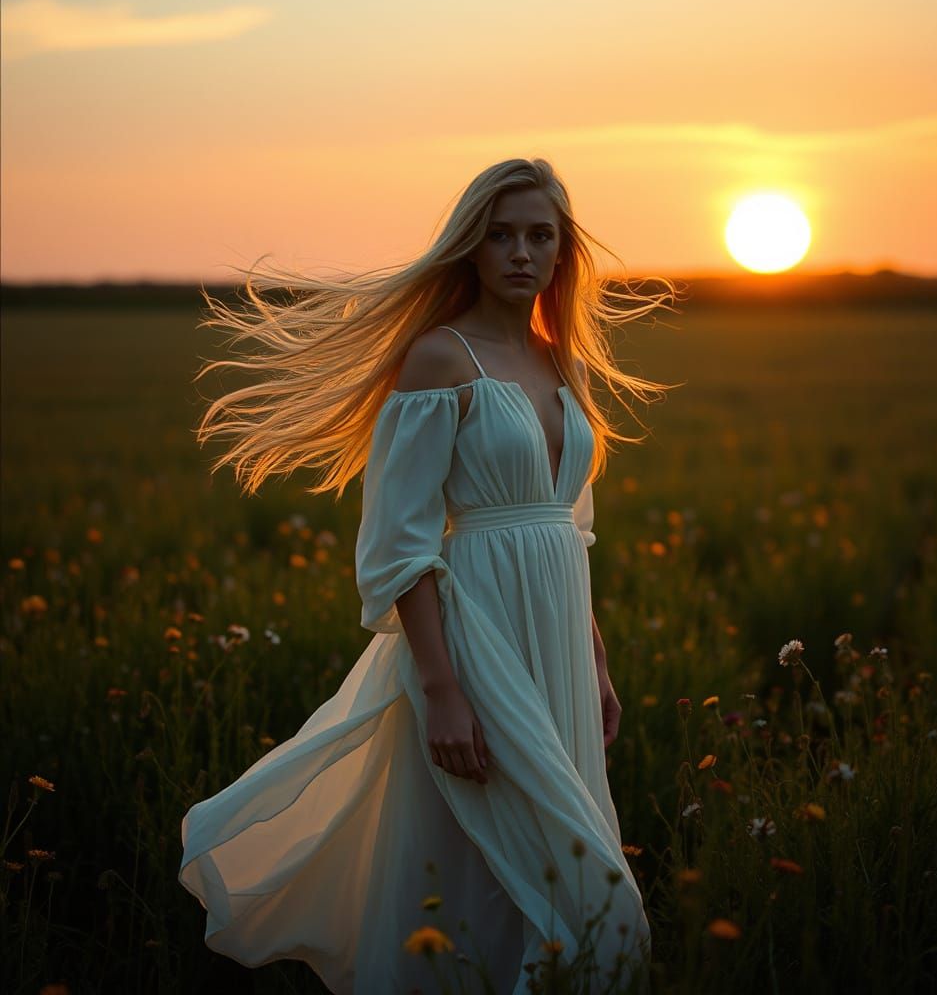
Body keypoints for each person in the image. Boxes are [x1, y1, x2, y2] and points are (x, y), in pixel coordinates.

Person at [179, 158, 680, 994]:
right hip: (475, 630)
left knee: (529, 868)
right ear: (471, 248)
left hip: (556, 637)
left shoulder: (567, 366)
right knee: (581, 891)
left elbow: (572, 530)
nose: (521, 252)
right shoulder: (439, 360)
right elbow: (401, 546)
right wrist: (442, 687)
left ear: (562, 253)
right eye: (501, 234)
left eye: (540, 236)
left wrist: (594, 662)